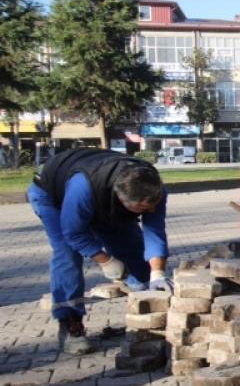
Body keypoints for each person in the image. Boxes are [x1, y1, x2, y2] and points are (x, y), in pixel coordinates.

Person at [27, 148, 171, 355]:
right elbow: (74, 234)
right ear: (123, 201)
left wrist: (157, 274)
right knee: (67, 254)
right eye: (143, 209)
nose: (150, 211)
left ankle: (152, 310)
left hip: (103, 198)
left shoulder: (153, 188)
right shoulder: (82, 188)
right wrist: (105, 260)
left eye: (152, 206)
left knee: (133, 249)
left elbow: (154, 230)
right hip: (52, 196)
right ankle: (70, 322)